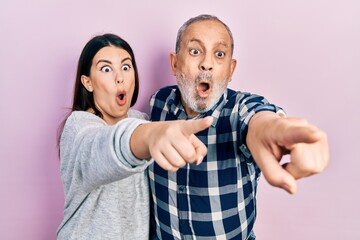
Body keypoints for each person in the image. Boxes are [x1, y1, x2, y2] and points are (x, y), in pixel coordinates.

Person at [148, 14, 329, 239]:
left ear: (231, 70)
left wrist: (276, 129)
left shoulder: (239, 110)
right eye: (195, 51)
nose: (207, 63)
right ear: (174, 64)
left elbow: (260, 118)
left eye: (219, 54)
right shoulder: (158, 103)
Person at [56, 33, 213, 240]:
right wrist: (149, 136)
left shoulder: (141, 119)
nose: (119, 77)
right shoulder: (78, 126)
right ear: (88, 83)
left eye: (126, 67)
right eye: (106, 69)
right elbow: (103, 147)